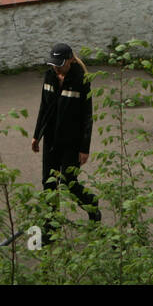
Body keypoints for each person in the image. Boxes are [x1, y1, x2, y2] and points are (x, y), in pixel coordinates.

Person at [31, 42, 99, 238]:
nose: (56, 68)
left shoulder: (81, 80)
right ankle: (51, 227)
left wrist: (84, 148)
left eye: (59, 64)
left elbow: (87, 117)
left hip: (72, 141)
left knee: (69, 183)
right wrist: (37, 135)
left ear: (70, 60)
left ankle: (92, 205)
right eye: (53, 64)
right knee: (48, 183)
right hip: (51, 139)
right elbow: (44, 107)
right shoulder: (49, 76)